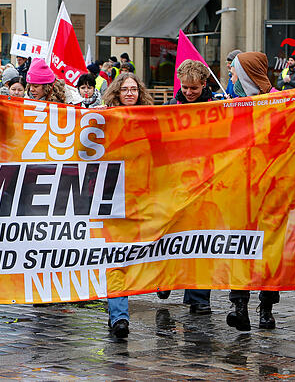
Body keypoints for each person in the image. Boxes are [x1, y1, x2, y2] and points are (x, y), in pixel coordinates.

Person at [155, 60, 215, 314]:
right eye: (185, 87)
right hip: (174, 183)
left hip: (204, 182)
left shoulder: (216, 108)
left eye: (194, 88)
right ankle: (166, 278)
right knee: (170, 235)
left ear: (204, 84)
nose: (189, 92)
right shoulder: (170, 107)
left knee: (200, 240)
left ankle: (198, 297)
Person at [226, 51, 279, 331]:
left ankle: (266, 307)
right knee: (240, 246)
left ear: (247, 76)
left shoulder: (280, 101)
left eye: (235, 73)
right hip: (240, 188)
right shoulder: (233, 104)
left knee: (269, 250)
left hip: (272, 189)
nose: (231, 77)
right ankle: (239, 306)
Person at [100, 71, 154, 338]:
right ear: (117, 93)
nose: (130, 93)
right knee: (116, 255)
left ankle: (162, 283)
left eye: (134, 89)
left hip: (144, 195)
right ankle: (119, 316)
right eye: (125, 89)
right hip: (114, 197)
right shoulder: (105, 117)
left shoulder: (152, 118)